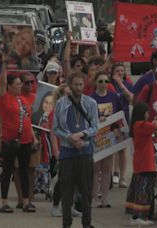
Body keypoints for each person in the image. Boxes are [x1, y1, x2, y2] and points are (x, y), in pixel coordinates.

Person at [53, 71, 98, 228]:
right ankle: (66, 223)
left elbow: (95, 127)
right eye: (76, 84)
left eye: (81, 84)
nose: (79, 87)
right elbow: (56, 128)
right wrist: (70, 137)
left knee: (86, 191)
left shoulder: (91, 103)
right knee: (67, 191)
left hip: (85, 152)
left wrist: (82, 135)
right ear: (70, 85)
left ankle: (87, 223)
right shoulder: (61, 103)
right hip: (67, 153)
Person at [0, 61, 37, 213]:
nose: (19, 86)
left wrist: (34, 138)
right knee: (7, 171)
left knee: (24, 170)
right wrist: (4, 67)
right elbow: (1, 82)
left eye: (20, 84)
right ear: (9, 86)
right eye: (16, 84)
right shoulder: (4, 98)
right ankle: (4, 202)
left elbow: (28, 120)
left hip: (25, 139)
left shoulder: (24, 99)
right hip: (10, 140)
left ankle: (26, 201)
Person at [125, 102, 157, 226]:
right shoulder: (141, 124)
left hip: (142, 162)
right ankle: (138, 216)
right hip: (145, 163)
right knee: (143, 190)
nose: (148, 114)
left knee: (144, 190)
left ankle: (141, 216)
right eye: (147, 112)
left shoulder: (139, 125)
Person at [90, 72, 122, 208]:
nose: (104, 84)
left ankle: (105, 198)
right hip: (96, 136)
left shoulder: (113, 96)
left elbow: (120, 115)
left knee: (107, 168)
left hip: (109, 136)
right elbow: (87, 118)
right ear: (96, 83)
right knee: (95, 169)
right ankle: (94, 199)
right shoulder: (91, 99)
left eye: (106, 81)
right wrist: (97, 120)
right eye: (101, 81)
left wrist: (118, 129)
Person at [109, 63, 133, 188]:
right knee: (112, 146)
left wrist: (121, 84)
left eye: (122, 71)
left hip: (123, 118)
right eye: (117, 70)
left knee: (122, 148)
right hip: (111, 119)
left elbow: (131, 99)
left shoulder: (127, 84)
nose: (120, 72)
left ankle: (122, 176)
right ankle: (115, 173)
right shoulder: (109, 84)